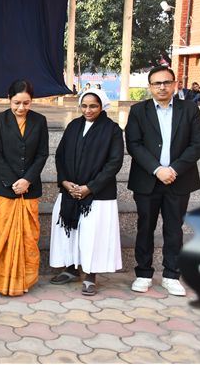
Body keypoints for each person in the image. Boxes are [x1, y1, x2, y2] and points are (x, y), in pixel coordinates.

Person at [126, 66, 200, 296]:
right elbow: (134, 144)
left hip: (178, 180)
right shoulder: (138, 110)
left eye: (166, 82)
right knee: (145, 227)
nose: (162, 87)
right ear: (149, 86)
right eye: (157, 83)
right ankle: (143, 274)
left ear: (175, 84)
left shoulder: (189, 109)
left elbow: (197, 144)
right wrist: (157, 169)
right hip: (147, 180)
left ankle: (171, 275)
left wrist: (174, 170)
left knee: (173, 229)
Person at [49, 89, 124, 295]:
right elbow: (60, 155)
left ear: (102, 106)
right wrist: (65, 182)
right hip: (70, 191)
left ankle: (90, 276)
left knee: (93, 235)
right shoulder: (74, 126)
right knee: (70, 233)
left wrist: (89, 187)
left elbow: (114, 163)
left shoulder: (112, 129)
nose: (88, 110)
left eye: (93, 106)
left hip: (98, 194)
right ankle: (72, 270)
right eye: (84, 105)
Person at [0, 80, 49, 296]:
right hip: (2, 188)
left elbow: (42, 154)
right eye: (17, 102)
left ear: (31, 101)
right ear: (9, 99)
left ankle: (23, 280)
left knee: (27, 237)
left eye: (26, 103)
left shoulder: (39, 120)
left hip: (29, 188)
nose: (21, 107)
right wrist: (13, 182)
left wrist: (27, 180)